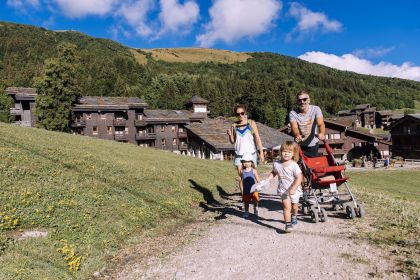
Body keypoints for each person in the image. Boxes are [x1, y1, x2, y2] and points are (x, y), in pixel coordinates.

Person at [227, 104, 265, 194]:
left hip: (251, 154)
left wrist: (261, 152)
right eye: (238, 114)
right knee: (241, 176)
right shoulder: (234, 125)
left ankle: (254, 194)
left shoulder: (251, 123)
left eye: (242, 113)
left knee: (252, 175)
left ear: (245, 113)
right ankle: (244, 197)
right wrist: (229, 135)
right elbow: (233, 141)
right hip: (239, 154)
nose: (240, 115)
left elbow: (258, 138)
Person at [267, 141, 303, 233]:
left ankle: (294, 216)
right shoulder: (277, 164)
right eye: (284, 151)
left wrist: (294, 188)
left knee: (294, 207)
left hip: (294, 190)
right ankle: (288, 224)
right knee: (287, 208)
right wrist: (268, 179)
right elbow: (274, 172)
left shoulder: (294, 165)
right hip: (283, 191)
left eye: (289, 152)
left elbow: (299, 177)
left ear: (293, 154)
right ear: (280, 152)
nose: (286, 153)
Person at [289, 90, 325, 157]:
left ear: (309, 100)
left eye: (304, 99)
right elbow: (294, 127)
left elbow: (320, 124)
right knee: (298, 166)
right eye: (299, 100)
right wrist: (297, 134)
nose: (302, 102)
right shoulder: (292, 113)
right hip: (299, 145)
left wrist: (321, 133)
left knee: (311, 166)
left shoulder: (316, 109)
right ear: (297, 102)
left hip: (313, 145)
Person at [239, 153, 261, 218]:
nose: (246, 163)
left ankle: (256, 209)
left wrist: (260, 184)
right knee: (246, 202)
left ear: (251, 162)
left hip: (254, 189)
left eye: (248, 161)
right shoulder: (242, 171)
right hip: (246, 190)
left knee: (255, 200)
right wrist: (241, 189)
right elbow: (241, 180)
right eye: (244, 162)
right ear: (242, 162)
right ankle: (246, 211)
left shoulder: (253, 170)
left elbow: (258, 179)